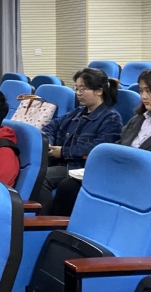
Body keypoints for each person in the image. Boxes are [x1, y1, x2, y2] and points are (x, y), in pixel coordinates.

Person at [45, 68, 129, 215]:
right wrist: (49, 143)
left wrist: (63, 152)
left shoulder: (111, 118)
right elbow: (51, 126)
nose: (78, 93)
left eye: (83, 89)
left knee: (41, 178)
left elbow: (99, 149)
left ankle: (44, 221)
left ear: (99, 91)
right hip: (60, 162)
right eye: (76, 88)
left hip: (79, 166)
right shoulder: (77, 112)